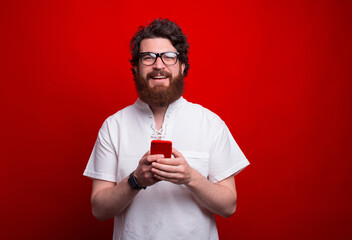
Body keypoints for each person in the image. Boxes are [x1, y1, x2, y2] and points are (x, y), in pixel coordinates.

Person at [83, 19, 249, 240]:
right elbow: (99, 210)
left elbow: (228, 206)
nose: (159, 66)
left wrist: (190, 177)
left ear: (182, 66)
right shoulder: (113, 126)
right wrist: (136, 180)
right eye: (148, 57)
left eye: (169, 57)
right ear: (136, 67)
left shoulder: (211, 124)